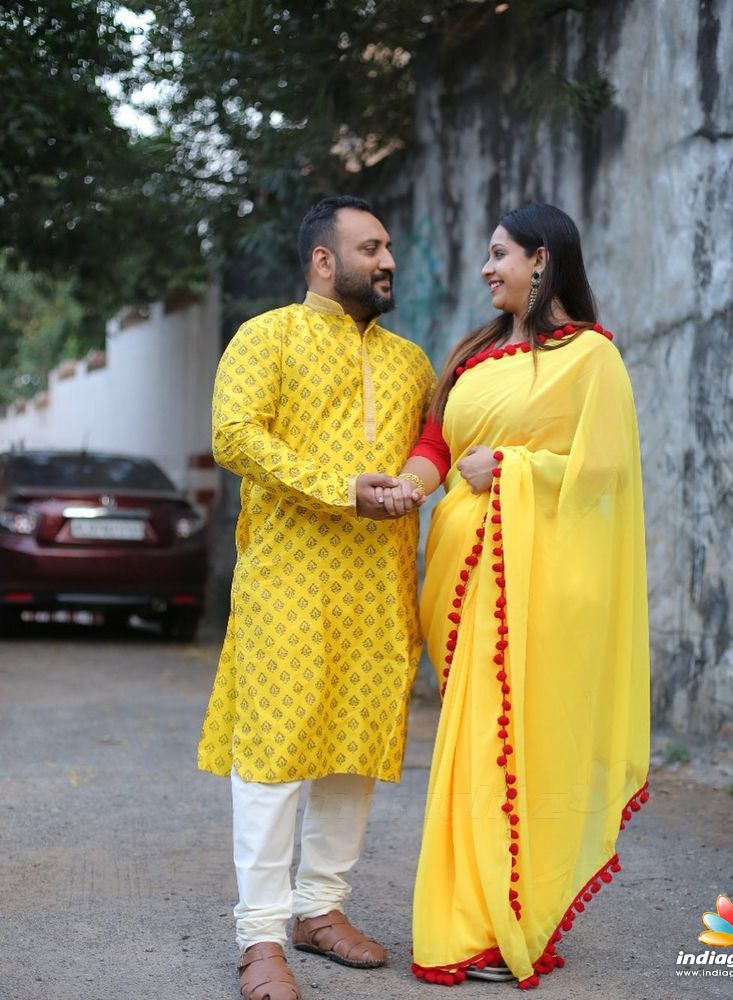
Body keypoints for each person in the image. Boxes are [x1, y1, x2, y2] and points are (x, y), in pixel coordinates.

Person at [385, 203, 650, 989]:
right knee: (471, 751)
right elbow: (438, 442)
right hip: (461, 574)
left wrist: (512, 468)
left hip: (537, 582)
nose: (487, 269)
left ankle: (496, 924)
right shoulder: (474, 354)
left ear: (543, 259)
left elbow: (602, 472)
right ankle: (482, 915)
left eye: (500, 255)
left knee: (516, 752)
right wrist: (407, 487)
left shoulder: (592, 358)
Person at [197, 195, 434, 1000]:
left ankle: (320, 909)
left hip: (377, 585)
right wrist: (340, 488)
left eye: (390, 246)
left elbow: (431, 450)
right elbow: (235, 436)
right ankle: (260, 935)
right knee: (273, 755)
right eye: (372, 247)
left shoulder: (410, 363)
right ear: (325, 261)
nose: (389, 259)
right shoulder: (269, 335)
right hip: (289, 580)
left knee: (354, 747)